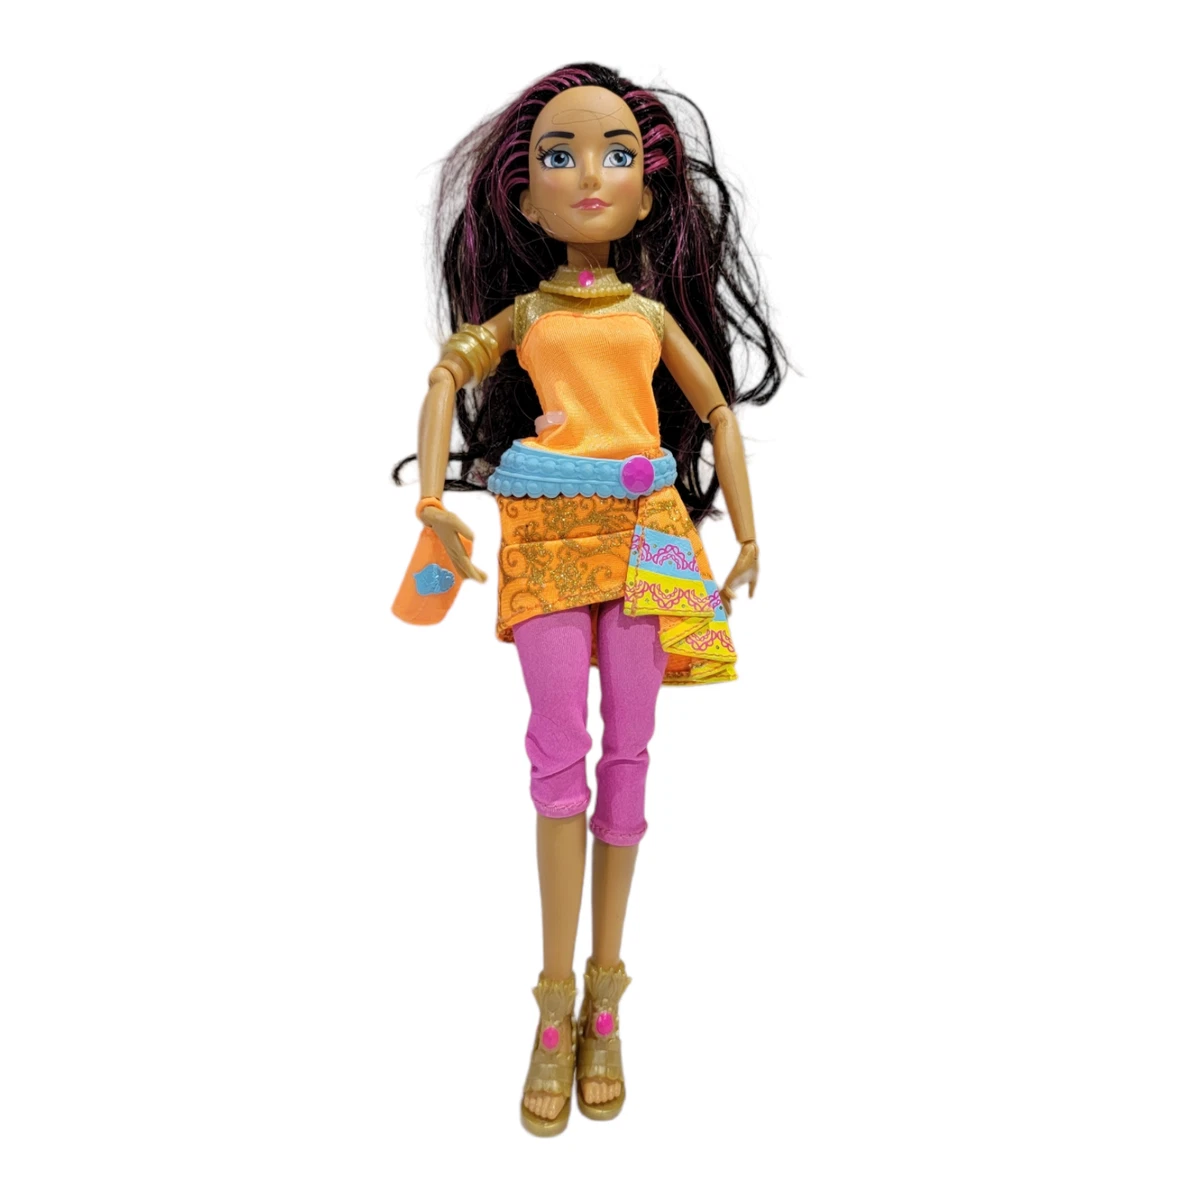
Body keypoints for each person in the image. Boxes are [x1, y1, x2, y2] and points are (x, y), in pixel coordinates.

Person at [393, 62, 786, 1136]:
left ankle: (606, 997)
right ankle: (552, 1000)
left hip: (649, 530)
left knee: (632, 755)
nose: (588, 176)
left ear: (649, 196)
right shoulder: (525, 315)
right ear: (525, 201)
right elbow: (446, 375)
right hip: (548, 530)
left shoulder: (649, 314)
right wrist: (432, 503)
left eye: (614, 155)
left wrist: (747, 534)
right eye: (559, 157)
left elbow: (719, 413)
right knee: (557, 754)